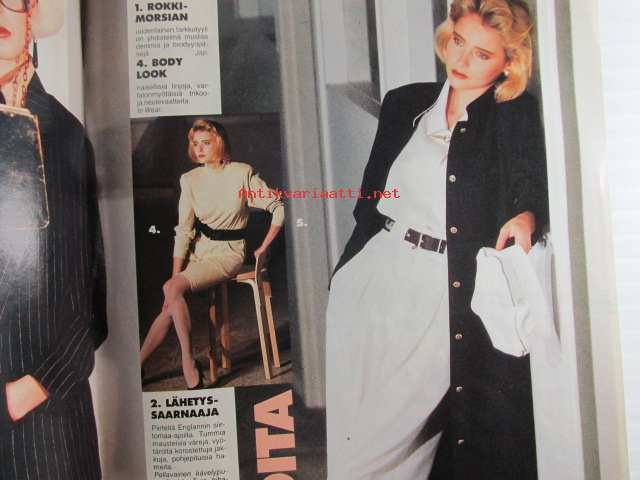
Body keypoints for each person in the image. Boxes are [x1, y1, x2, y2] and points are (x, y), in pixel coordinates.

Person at [325, 0, 548, 478]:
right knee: (350, 443)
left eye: (482, 54)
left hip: (438, 288)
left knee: (381, 447)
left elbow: (531, 186)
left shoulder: (512, 116)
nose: (461, 60)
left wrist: (527, 215)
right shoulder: (405, 103)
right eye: (459, 42)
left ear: (509, 63)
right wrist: (347, 277)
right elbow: (371, 199)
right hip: (372, 279)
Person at [0, 0, 107, 478]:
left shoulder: (63, 133)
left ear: (34, 12)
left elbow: (89, 303)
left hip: (42, 423)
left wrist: (26, 392)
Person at [139, 119, 285, 389]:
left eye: (206, 143)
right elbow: (183, 231)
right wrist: (175, 277)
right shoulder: (190, 180)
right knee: (171, 295)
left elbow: (277, 207)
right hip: (200, 255)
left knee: (171, 290)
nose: (199, 149)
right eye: (195, 144)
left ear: (220, 143)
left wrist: (264, 247)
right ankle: (138, 364)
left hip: (228, 255)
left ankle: (187, 361)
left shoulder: (241, 173)